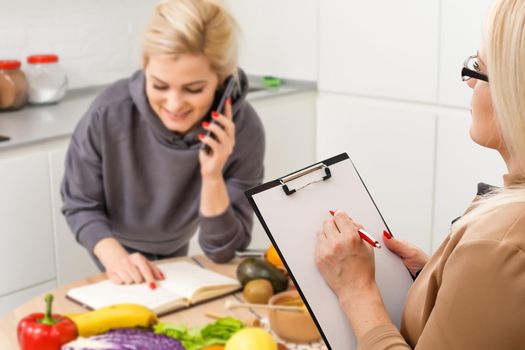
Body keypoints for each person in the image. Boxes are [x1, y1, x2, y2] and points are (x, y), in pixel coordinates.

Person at [315, 0, 525, 348]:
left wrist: (357, 291)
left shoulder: (500, 245)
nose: (471, 84)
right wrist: (440, 278)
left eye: (479, 67)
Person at [61, 0, 265, 287]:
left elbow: (222, 250)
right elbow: (80, 204)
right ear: (145, 66)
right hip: (112, 244)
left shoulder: (243, 129)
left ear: (221, 81)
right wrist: (117, 260)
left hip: (177, 247)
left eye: (194, 89)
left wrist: (212, 176)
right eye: (158, 85)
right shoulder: (107, 113)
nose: (174, 104)